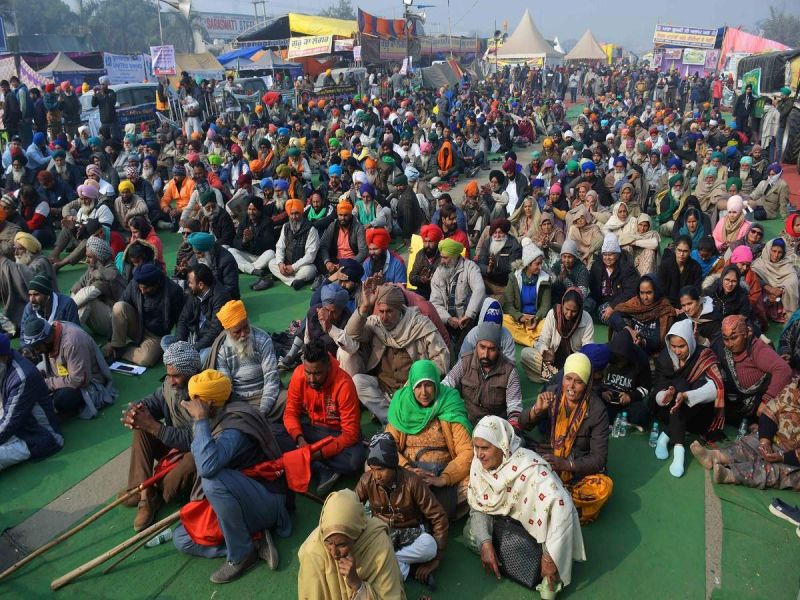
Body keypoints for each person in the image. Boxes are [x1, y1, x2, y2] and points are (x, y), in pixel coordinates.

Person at [172, 370, 291, 584]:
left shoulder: (233, 427)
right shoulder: (218, 415)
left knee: (212, 481)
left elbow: (207, 467)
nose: (190, 404)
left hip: (265, 498)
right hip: (238, 496)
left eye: (195, 401)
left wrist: (199, 420)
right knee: (182, 538)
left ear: (208, 403)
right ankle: (254, 542)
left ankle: (242, 554)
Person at [465, 416, 585, 596]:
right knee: (471, 535)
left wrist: (548, 558)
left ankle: (546, 563)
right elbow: (478, 506)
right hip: (506, 526)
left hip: (540, 537)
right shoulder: (478, 464)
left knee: (548, 592)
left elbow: (562, 506)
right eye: (476, 447)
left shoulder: (531, 469)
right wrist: (486, 543)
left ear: (503, 446)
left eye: (485, 448)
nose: (479, 454)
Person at [520, 353, 612, 524]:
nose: (571, 386)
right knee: (516, 443)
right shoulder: (552, 395)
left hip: (576, 468)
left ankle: (551, 499)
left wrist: (567, 465)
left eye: (578, 382)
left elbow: (599, 459)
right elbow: (522, 424)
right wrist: (536, 410)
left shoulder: (598, 411)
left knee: (603, 487)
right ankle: (560, 503)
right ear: (562, 378)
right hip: (549, 456)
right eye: (568, 378)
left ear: (586, 384)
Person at [119, 341, 200, 531]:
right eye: (169, 375)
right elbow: (154, 402)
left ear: (192, 372)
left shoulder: (204, 392)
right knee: (141, 428)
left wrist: (156, 428)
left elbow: (194, 437)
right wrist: (137, 410)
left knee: (191, 461)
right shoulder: (170, 386)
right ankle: (144, 492)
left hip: (194, 452)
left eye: (176, 376)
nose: (171, 381)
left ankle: (152, 493)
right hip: (173, 447)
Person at [340, 282, 449, 423]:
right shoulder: (377, 323)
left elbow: (442, 359)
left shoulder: (420, 325)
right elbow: (352, 334)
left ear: (400, 309)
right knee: (358, 382)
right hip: (384, 386)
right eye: (381, 311)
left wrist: (417, 379)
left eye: (389, 311)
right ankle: (390, 419)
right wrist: (364, 307)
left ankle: (399, 417)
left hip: (411, 388)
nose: (384, 317)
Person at [273, 339, 366, 495]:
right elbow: (290, 413)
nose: (311, 379)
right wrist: (300, 439)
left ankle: (307, 462)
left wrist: (315, 454)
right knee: (272, 434)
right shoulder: (298, 374)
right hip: (311, 430)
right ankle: (321, 467)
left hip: (337, 434)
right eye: (308, 372)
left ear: (328, 366)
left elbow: (350, 434)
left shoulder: (344, 384)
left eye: (317, 373)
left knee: (355, 460)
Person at [355, 432, 448, 587]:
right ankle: (408, 568)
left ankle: (385, 560)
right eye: (373, 469)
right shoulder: (367, 480)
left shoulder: (412, 481)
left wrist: (436, 560)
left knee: (429, 546)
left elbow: (438, 517)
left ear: (393, 465)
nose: (376, 475)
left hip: (409, 533)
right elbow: (351, 506)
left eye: (381, 469)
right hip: (381, 534)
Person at [386, 360, 474, 519]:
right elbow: (387, 447)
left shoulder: (449, 403)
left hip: (442, 474)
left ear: (436, 385)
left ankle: (413, 509)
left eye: (428, 385)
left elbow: (467, 451)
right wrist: (408, 470)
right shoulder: (402, 405)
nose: (424, 392)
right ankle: (431, 510)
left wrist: (443, 479)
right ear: (412, 386)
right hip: (408, 472)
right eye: (418, 386)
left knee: (478, 480)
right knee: (372, 467)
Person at [691, 377, 800, 490]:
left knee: (777, 471)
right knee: (750, 444)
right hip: (777, 438)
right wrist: (765, 441)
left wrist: (783, 457)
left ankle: (730, 475)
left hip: (794, 458)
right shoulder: (793, 387)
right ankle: (715, 456)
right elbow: (770, 412)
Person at [297, 489, 406, 599]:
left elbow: (391, 596)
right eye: (328, 543)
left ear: (357, 535)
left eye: (342, 545)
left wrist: (356, 584)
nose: (334, 553)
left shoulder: (378, 544)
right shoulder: (312, 550)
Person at [652, 320, 725, 478]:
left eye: (681, 346)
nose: (677, 351)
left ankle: (664, 437)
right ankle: (679, 450)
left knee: (683, 389)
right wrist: (666, 396)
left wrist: (686, 396)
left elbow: (715, 388)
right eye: (674, 346)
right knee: (679, 386)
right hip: (667, 410)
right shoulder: (665, 358)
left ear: (691, 342)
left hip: (697, 414)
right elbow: (658, 388)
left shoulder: (704, 355)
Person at [21, 316, 116, 419]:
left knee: (62, 399)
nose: (37, 352)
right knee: (30, 376)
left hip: (90, 382)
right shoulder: (50, 332)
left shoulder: (72, 342)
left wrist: (48, 383)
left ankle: (70, 411)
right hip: (63, 373)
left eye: (37, 348)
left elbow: (80, 380)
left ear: (46, 339)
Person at [207, 300, 282, 421]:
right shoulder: (223, 351)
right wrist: (244, 410)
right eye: (237, 332)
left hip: (264, 394)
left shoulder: (263, 339)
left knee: (289, 400)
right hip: (238, 401)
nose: (243, 334)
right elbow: (227, 388)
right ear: (228, 332)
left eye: (246, 327)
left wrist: (262, 411)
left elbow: (271, 379)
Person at [0, 332, 62, 471]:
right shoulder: (5, 365)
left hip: (37, 435)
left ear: (3, 357)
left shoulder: (22, 377)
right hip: (15, 424)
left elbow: (9, 423)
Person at [714, 314, 792, 423]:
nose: (730, 344)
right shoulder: (721, 347)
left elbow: (783, 370)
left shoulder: (757, 349)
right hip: (737, 400)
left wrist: (766, 400)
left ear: (746, 333)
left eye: (734, 337)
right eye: (726, 339)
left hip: (759, 399)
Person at [443, 322, 522, 428]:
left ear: (499, 350)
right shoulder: (465, 362)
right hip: (466, 422)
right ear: (476, 346)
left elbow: (515, 408)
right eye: (482, 347)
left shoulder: (509, 371)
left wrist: (509, 431)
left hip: (494, 426)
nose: (485, 354)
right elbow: (446, 384)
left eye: (492, 349)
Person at [106, 263, 185, 367]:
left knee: (146, 360)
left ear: (156, 284)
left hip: (156, 335)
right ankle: (116, 346)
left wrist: (178, 347)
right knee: (118, 307)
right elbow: (121, 308)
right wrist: (111, 339)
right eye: (140, 287)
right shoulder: (135, 283)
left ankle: (120, 351)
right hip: (138, 325)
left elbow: (181, 321)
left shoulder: (174, 291)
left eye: (146, 288)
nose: (142, 291)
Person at [522, 288, 594, 383]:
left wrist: (575, 361)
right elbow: (543, 341)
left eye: (574, 311)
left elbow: (588, 350)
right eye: (567, 309)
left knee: (591, 365)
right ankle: (564, 380)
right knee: (526, 353)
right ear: (562, 304)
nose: (569, 314)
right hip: (552, 363)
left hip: (573, 365)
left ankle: (558, 379)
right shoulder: (552, 314)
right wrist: (545, 351)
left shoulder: (587, 319)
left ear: (580, 309)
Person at [167, 264, 231, 364]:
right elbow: (183, 319)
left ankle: (183, 363)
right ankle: (184, 361)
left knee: (203, 358)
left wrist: (193, 348)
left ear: (201, 285)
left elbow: (215, 331)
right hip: (195, 335)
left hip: (211, 342)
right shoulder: (194, 293)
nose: (188, 285)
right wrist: (179, 344)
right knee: (166, 340)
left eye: (191, 283)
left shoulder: (220, 297)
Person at [430, 237, 486, 350]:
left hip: (466, 320)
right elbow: (435, 302)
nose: (442, 261)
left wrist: (469, 315)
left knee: (461, 350)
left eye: (445, 258)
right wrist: (448, 319)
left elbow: (479, 289)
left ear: (455, 256)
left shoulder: (470, 267)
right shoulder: (438, 272)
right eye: (441, 257)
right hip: (446, 320)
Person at [70, 236, 126, 339]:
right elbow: (76, 288)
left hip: (113, 325)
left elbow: (87, 294)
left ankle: (70, 335)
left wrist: (66, 308)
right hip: (99, 321)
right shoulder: (92, 269)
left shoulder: (109, 273)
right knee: (80, 296)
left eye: (90, 257)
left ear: (99, 257)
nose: (86, 260)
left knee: (87, 300)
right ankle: (68, 329)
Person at [609, 274, 675, 355]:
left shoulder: (664, 308)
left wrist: (642, 341)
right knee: (622, 334)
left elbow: (659, 341)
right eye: (642, 293)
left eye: (649, 293)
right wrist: (629, 330)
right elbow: (614, 315)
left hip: (648, 348)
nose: (645, 297)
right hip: (631, 340)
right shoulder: (635, 303)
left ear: (656, 291)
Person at [502, 241, 552, 346]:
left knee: (549, 324)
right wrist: (519, 316)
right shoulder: (514, 277)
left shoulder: (545, 279)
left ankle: (524, 337)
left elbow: (545, 306)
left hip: (537, 320)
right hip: (519, 319)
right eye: (537, 264)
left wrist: (536, 318)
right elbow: (508, 304)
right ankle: (533, 341)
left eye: (541, 263)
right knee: (503, 320)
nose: (540, 267)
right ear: (528, 264)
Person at [264, 199, 319, 291]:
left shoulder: (311, 229)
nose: (294, 217)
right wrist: (281, 263)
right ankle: (294, 281)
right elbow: (280, 247)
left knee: (310, 270)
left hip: (302, 267)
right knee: (272, 263)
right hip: (286, 264)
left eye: (297, 213)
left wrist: (293, 267)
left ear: (302, 213)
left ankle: (285, 277)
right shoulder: (286, 227)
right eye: (292, 214)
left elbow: (310, 256)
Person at [588, 234, 639, 323]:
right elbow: (592, 287)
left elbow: (630, 291)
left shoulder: (626, 267)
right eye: (605, 254)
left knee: (609, 313)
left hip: (622, 302)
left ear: (617, 254)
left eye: (611, 254)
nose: (607, 258)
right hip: (602, 301)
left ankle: (623, 323)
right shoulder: (597, 266)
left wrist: (613, 306)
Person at [228, 196, 276, 281]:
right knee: (231, 251)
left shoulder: (267, 222)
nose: (251, 212)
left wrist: (253, 238)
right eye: (249, 209)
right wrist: (244, 241)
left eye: (254, 209)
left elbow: (268, 244)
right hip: (248, 255)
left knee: (271, 253)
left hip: (261, 256)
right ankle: (253, 270)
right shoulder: (244, 221)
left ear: (260, 210)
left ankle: (245, 268)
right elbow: (235, 242)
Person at [752, 238, 799, 324]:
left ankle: (781, 311)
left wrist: (781, 289)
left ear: (783, 253)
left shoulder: (786, 264)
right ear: (768, 250)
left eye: (779, 252)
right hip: (765, 295)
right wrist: (769, 288)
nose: (776, 255)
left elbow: (793, 279)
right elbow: (753, 277)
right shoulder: (759, 264)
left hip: (779, 296)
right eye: (773, 251)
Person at [318, 199, 367, 279]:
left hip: (351, 262)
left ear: (351, 215)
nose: (342, 218)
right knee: (318, 256)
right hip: (334, 262)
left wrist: (346, 264)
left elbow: (363, 252)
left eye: (345, 215)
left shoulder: (358, 228)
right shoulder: (333, 226)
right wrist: (327, 262)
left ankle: (329, 278)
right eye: (340, 215)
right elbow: (324, 246)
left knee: (360, 266)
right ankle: (329, 276)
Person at [186, 232, 240, 300]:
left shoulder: (227, 260)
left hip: (223, 297)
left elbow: (230, 289)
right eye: (195, 253)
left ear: (208, 251)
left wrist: (208, 299)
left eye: (199, 253)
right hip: (203, 294)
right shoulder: (196, 257)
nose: (197, 257)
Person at [477, 218, 522, 295]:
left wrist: (496, 267)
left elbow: (514, 270)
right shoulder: (487, 242)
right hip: (489, 283)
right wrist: (488, 269)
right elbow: (480, 264)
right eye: (495, 233)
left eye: (500, 233)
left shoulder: (514, 245)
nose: (497, 236)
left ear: (506, 233)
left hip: (506, 284)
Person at [658, 236, 702, 308]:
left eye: (685, 251)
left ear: (690, 251)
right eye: (679, 250)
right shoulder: (665, 265)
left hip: (688, 305)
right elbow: (660, 289)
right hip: (667, 304)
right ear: (675, 249)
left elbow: (696, 290)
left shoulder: (696, 267)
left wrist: (685, 306)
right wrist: (670, 307)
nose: (681, 254)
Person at [408, 224, 443, 300]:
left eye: (430, 242)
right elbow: (412, 278)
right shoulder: (420, 254)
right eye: (425, 241)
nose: (427, 245)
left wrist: (432, 280)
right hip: (422, 292)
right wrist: (421, 279)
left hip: (439, 295)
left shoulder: (443, 256)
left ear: (437, 242)